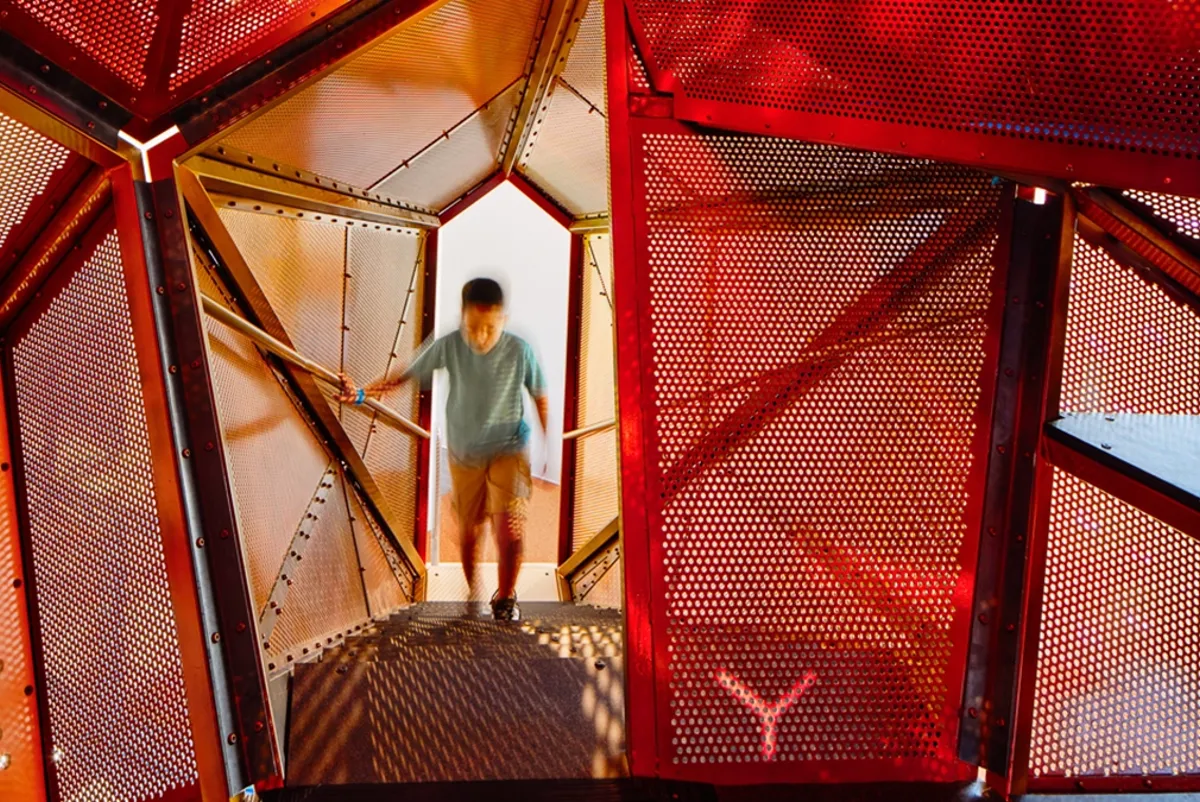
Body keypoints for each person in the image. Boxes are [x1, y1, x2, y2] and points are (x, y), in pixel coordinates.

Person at [336, 277, 548, 621]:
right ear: (463, 317)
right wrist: (360, 394)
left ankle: (506, 598)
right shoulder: (449, 345)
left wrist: (546, 443)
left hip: (509, 446)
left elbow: (539, 394)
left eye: (490, 328)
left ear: (503, 319)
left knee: (510, 527)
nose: (481, 336)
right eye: (474, 327)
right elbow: (401, 377)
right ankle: (473, 592)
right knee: (470, 530)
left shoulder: (519, 350)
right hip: (465, 453)